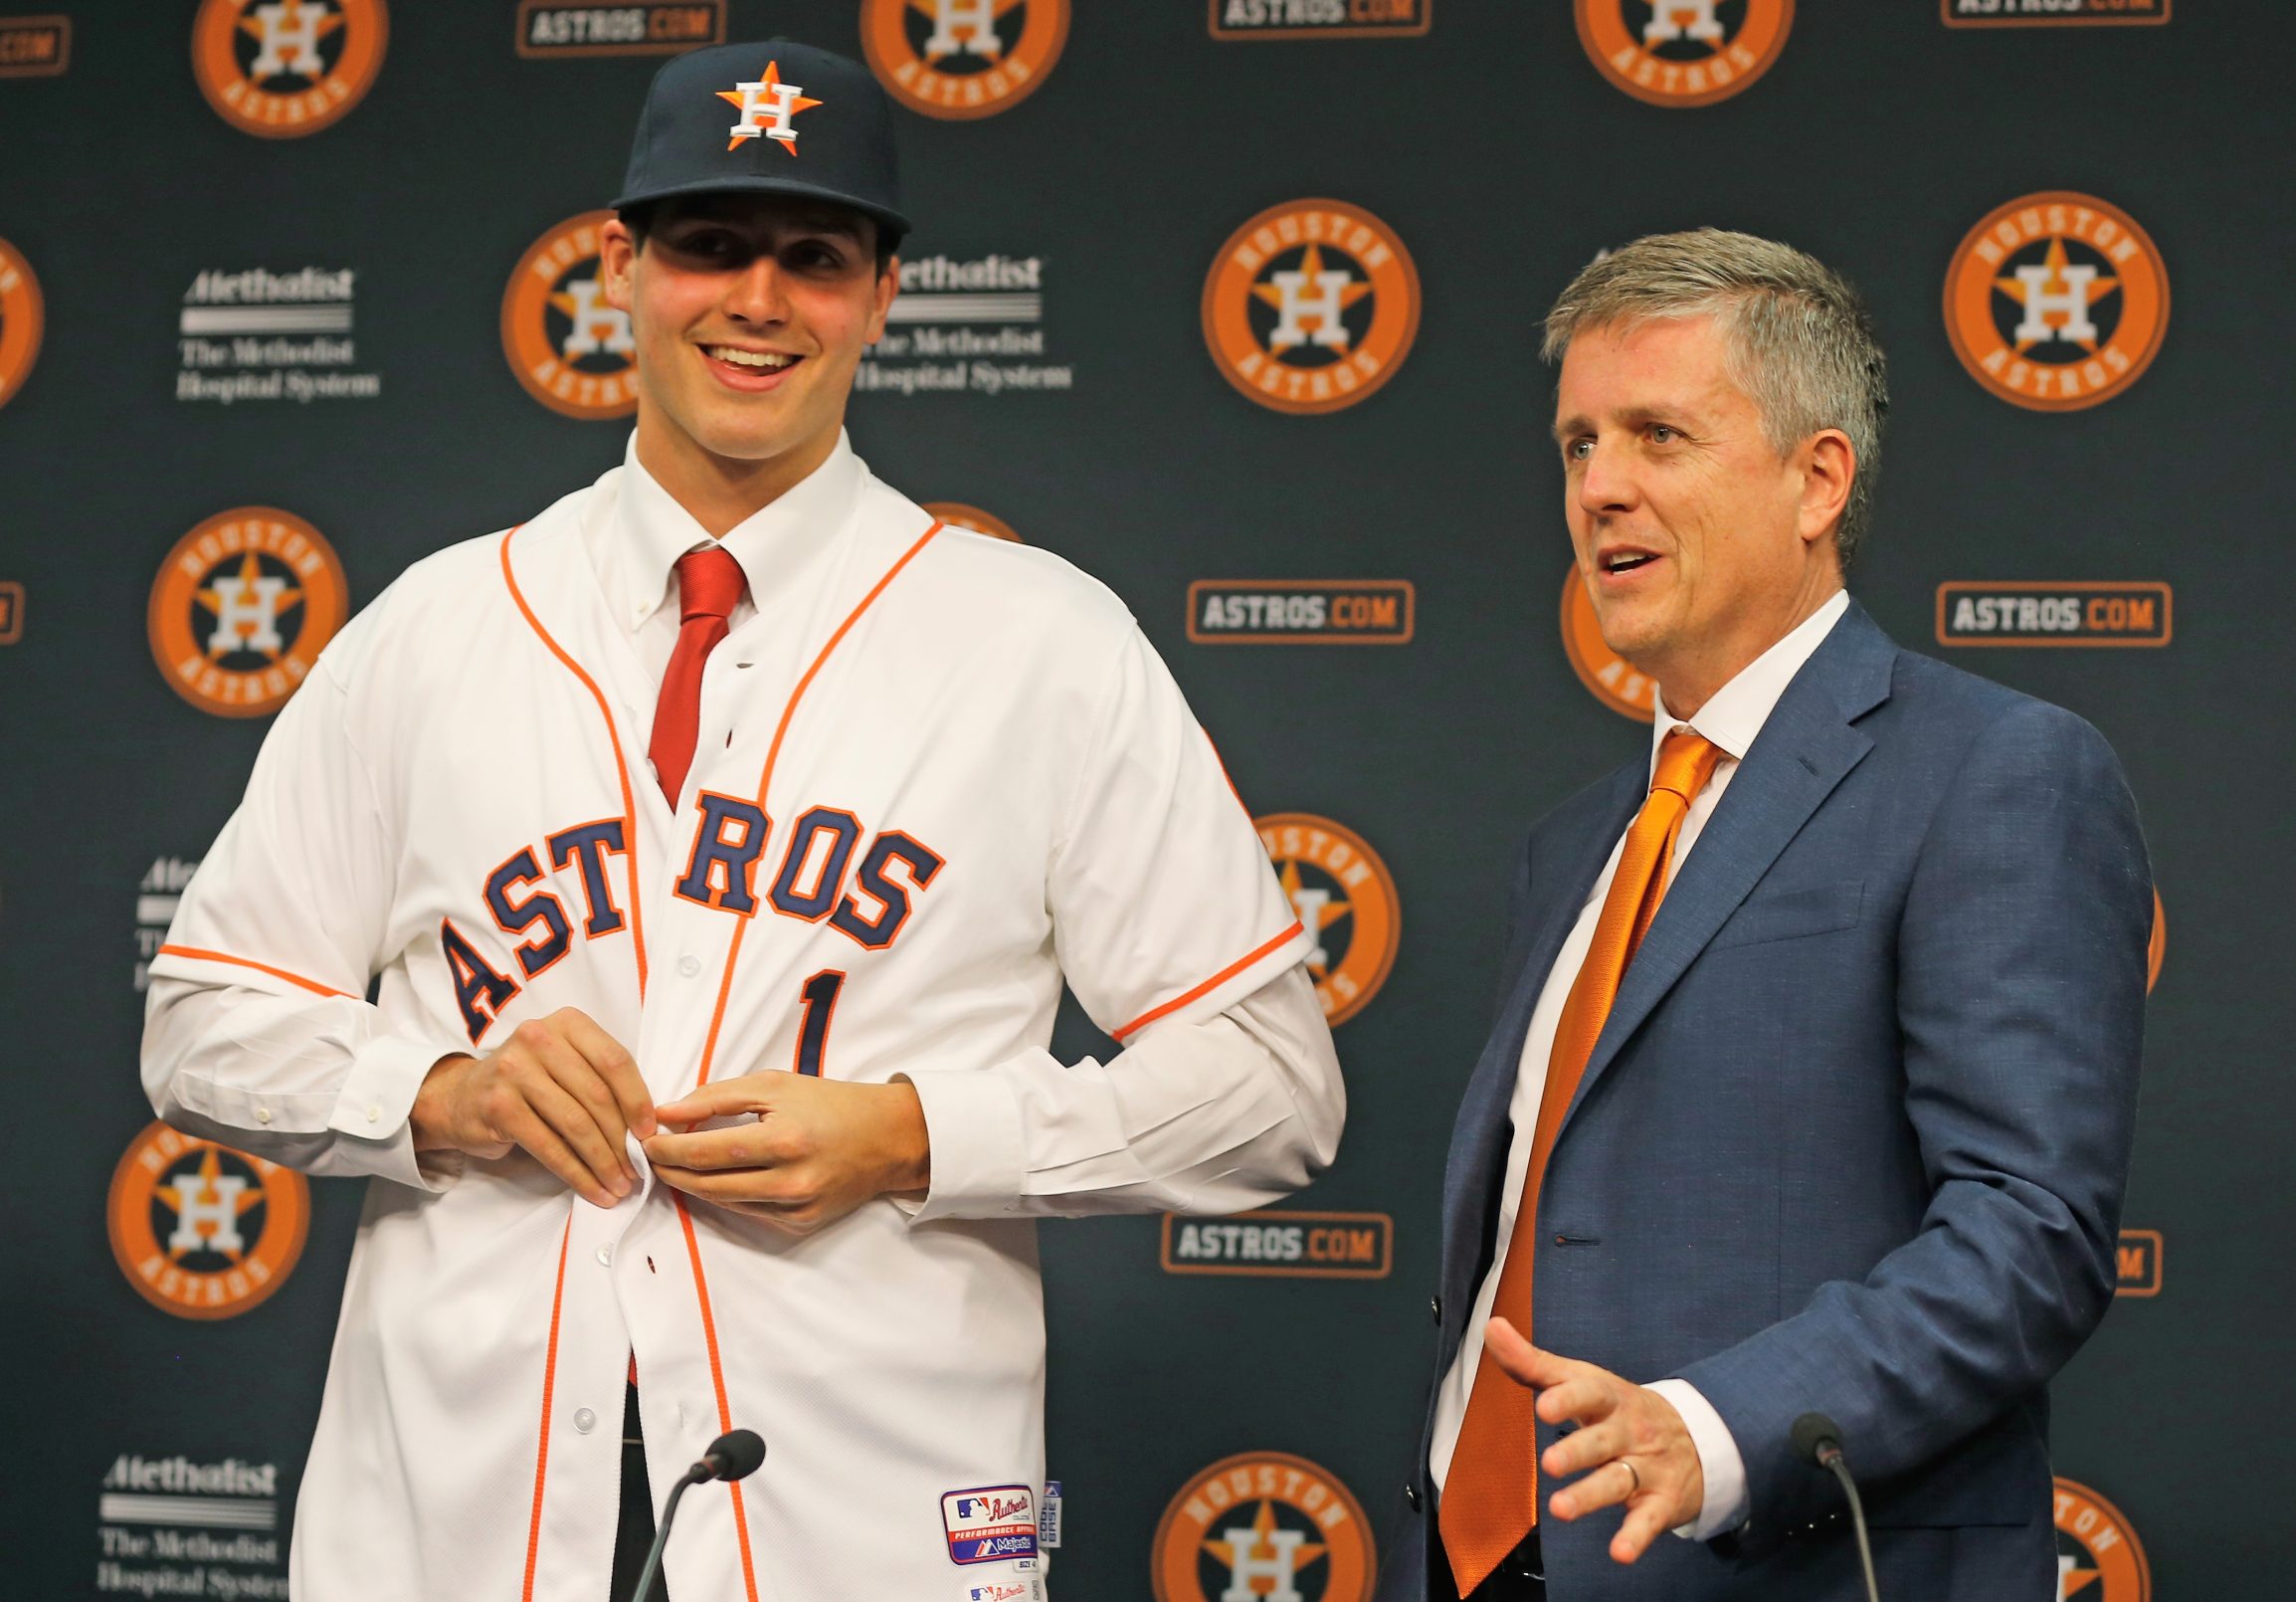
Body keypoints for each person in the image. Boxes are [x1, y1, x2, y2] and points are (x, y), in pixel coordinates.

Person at [141, 40, 1342, 1602]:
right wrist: (439, 1092)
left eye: (816, 257)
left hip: (865, 1517)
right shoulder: (436, 630)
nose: (759, 300)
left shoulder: (1037, 642)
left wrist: (922, 1137)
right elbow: (201, 1020)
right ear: (624, 268)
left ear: (883, 294)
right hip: (459, 1516)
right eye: (710, 245)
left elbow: (1269, 1087)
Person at [1378, 230, 2149, 1601]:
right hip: (1491, 1555)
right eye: (1577, 445)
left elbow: (2029, 1232)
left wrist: (1718, 1425)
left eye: (1658, 435)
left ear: (1818, 478)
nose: (1600, 486)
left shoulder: (1995, 771)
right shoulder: (1574, 844)